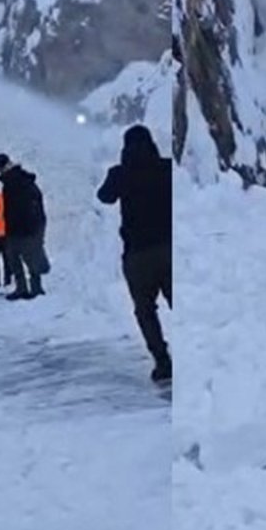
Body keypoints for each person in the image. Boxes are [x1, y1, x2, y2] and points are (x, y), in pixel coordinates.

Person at [98, 125, 172, 383]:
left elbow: (104, 196)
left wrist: (117, 174)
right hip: (169, 249)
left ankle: (162, 361)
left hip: (138, 255)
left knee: (145, 310)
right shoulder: (166, 168)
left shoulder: (120, 174)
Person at [0, 153, 50, 301]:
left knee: (26, 258)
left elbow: (22, 207)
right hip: (18, 227)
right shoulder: (18, 180)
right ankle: (27, 288)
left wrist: (29, 225)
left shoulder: (15, 182)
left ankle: (31, 288)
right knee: (17, 258)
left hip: (22, 228)